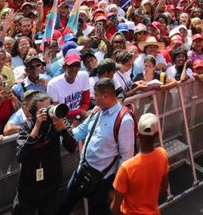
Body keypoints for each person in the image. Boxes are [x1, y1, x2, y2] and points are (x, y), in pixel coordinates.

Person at [57, 78, 135, 215]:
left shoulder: (124, 120)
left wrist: (116, 189)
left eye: (96, 95)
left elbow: (126, 159)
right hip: (82, 172)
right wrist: (62, 129)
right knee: (64, 205)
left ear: (106, 96)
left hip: (103, 181)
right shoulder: (97, 111)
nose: (94, 99)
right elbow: (79, 133)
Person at [13, 92, 77, 215]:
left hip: (51, 184)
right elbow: (21, 156)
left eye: (49, 108)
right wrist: (36, 127)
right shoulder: (27, 126)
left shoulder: (58, 122)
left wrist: (63, 129)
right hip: (29, 187)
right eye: (44, 110)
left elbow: (72, 147)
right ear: (35, 113)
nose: (48, 113)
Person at [112, 113, 169, 215]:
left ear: (137, 135)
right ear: (157, 135)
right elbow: (164, 187)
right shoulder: (163, 155)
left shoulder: (126, 168)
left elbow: (115, 208)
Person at [46, 52, 91, 122]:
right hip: (63, 119)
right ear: (64, 67)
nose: (74, 69)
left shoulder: (84, 76)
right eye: (70, 66)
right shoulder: (53, 84)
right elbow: (57, 112)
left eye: (77, 65)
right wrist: (79, 113)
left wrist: (79, 116)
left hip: (81, 115)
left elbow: (86, 102)